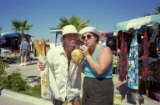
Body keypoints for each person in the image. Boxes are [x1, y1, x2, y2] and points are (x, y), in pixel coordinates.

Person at [38, 25, 81, 105]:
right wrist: (41, 67)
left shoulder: (80, 51)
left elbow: (85, 68)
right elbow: (44, 68)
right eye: (69, 35)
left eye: (74, 35)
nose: (73, 37)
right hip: (58, 91)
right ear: (64, 38)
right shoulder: (53, 52)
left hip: (74, 89)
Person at [76, 26, 113, 105]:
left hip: (101, 85)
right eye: (83, 37)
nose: (86, 39)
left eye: (89, 36)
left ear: (96, 37)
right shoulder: (87, 51)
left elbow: (100, 70)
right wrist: (79, 65)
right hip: (87, 84)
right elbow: (86, 71)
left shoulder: (105, 50)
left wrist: (87, 55)